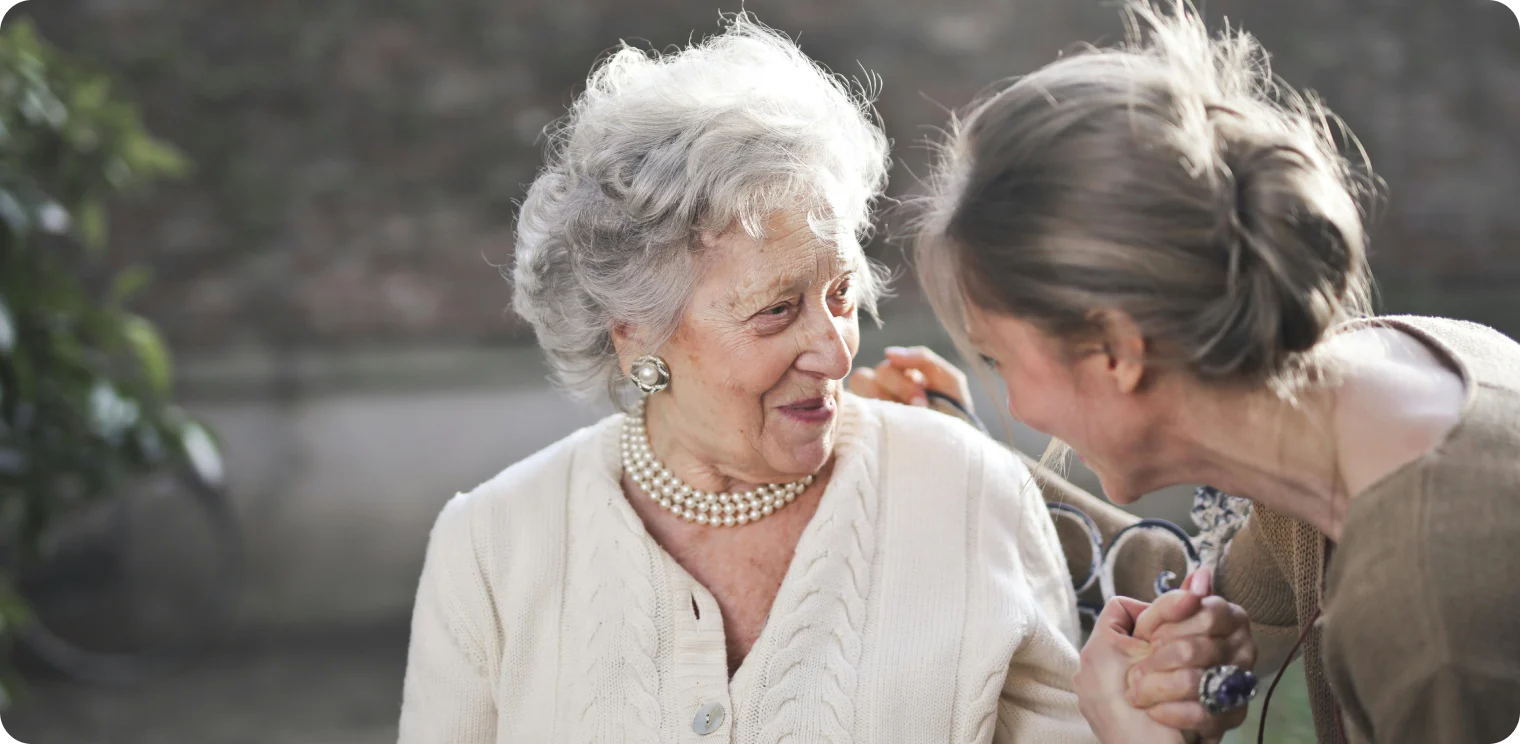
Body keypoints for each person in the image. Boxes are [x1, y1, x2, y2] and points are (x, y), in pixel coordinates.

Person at [397, 14, 1255, 744]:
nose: (836, 350)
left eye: (841, 294)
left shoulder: (963, 491)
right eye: (776, 311)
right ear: (635, 335)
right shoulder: (490, 548)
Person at [857, 2, 1520, 742]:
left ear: (1116, 350)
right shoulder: (1365, 399)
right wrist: (957, 452)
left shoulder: (1434, 620)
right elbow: (1198, 595)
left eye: (998, 359)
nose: (1017, 402)